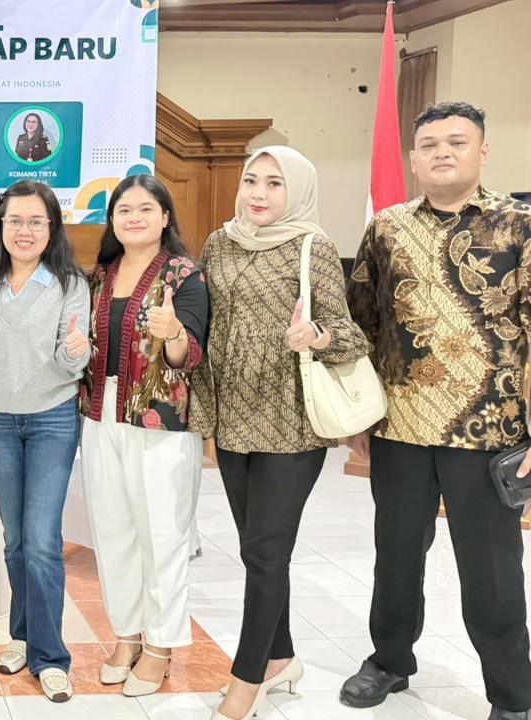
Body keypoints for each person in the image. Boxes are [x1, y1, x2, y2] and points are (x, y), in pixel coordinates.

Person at [343, 101, 531, 720]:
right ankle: (389, 660)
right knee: (396, 556)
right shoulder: (387, 228)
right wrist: (360, 418)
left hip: (491, 431)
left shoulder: (519, 226)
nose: (442, 152)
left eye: (457, 142)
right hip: (400, 426)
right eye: (429, 145)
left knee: (492, 571)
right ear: (414, 158)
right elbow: (364, 324)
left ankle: (513, 694)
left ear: (483, 151)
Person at [189, 147, 369, 720]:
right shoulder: (219, 243)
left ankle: (246, 680)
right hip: (234, 418)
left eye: (274, 183)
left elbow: (349, 333)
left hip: (290, 422)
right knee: (256, 549)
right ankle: (281, 657)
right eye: (251, 180)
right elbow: (209, 324)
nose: (259, 193)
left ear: (297, 191)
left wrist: (315, 335)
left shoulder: (313, 246)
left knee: (267, 551)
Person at [0, 180, 89, 702]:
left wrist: (76, 350)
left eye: (36, 221)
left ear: (52, 228)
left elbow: (72, 361)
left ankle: (51, 656)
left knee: (41, 541)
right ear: (1, 225)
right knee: (14, 540)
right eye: (15, 221)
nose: (25, 231)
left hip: (52, 420)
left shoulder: (69, 283)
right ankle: (23, 635)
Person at [79, 174, 208, 698]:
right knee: (113, 531)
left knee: (162, 535)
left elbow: (189, 356)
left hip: (160, 421)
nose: (134, 218)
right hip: (100, 414)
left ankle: (161, 646)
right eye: (124, 210)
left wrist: (172, 332)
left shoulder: (184, 275)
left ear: (164, 217)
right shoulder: (99, 276)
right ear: (111, 220)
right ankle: (127, 636)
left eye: (145, 209)